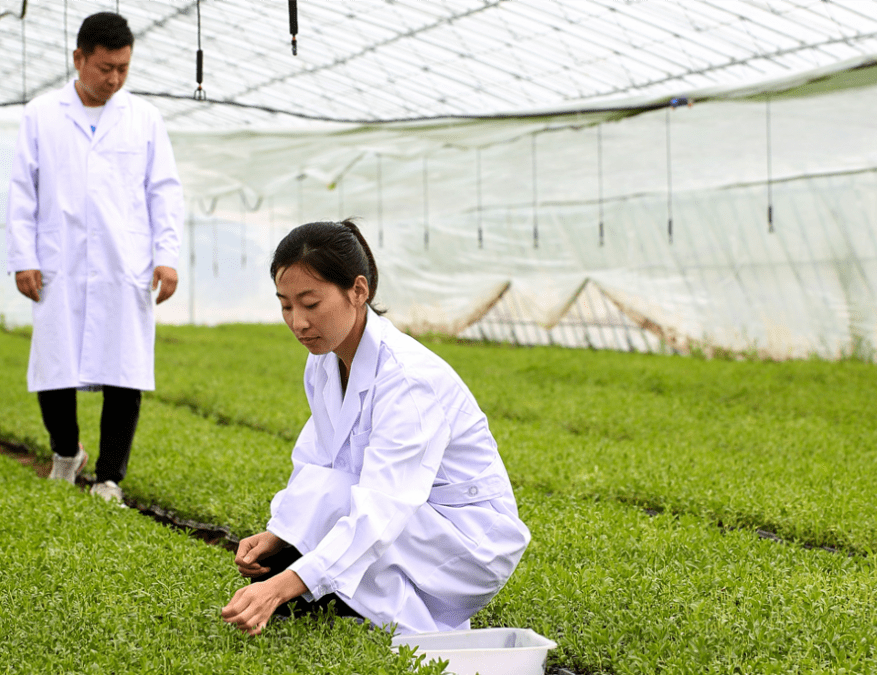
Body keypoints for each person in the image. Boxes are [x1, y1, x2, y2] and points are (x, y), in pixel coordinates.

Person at [221, 220, 529, 636]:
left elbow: (383, 508)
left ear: (358, 291)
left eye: (310, 304)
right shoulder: (324, 362)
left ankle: (410, 622)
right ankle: (349, 600)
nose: (297, 322)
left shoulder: (407, 378)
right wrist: (279, 533)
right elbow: (317, 462)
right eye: (286, 305)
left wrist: (280, 587)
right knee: (298, 544)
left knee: (295, 577)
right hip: (414, 522)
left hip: (465, 543)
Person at [5, 12, 184, 504]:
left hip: (122, 262)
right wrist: (22, 256)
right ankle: (67, 453)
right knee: (55, 366)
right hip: (57, 261)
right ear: (79, 58)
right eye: (106, 68)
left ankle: (109, 478)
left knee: (123, 370)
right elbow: (21, 191)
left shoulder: (143, 117)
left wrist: (166, 256)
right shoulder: (42, 114)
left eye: (124, 68)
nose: (115, 79)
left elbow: (163, 191)